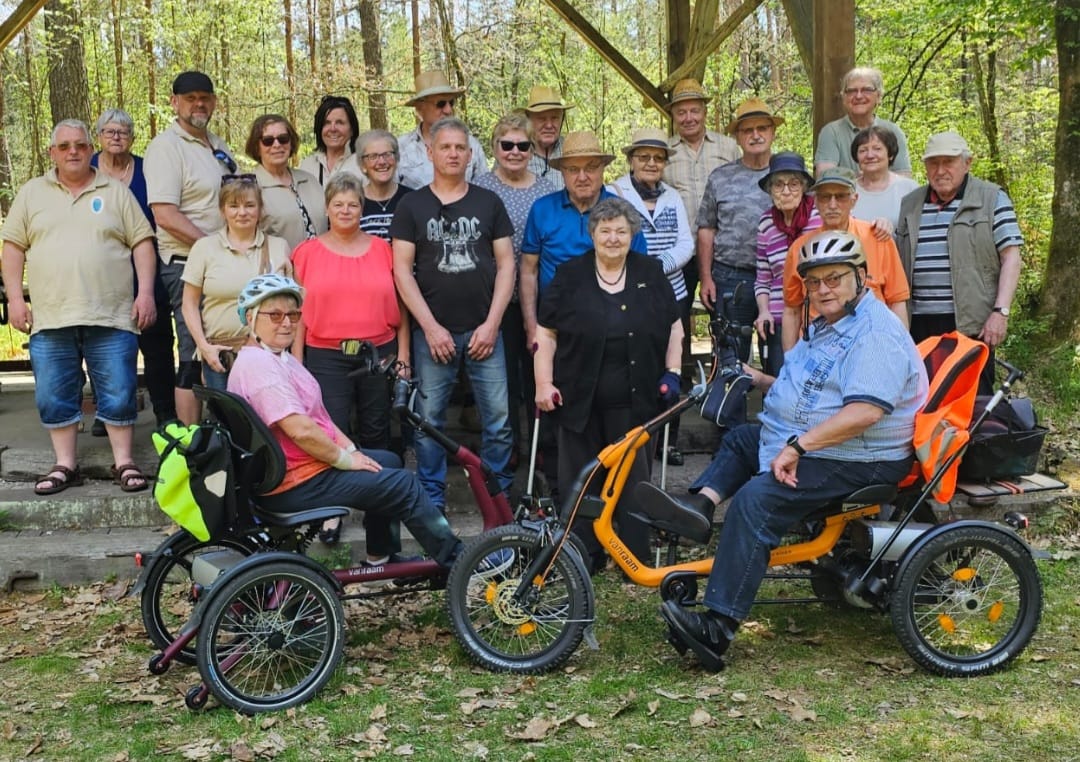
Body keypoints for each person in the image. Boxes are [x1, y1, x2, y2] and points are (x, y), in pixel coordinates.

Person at [657, 230, 928, 671]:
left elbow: (863, 412)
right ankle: (698, 509)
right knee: (745, 437)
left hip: (863, 457)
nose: (823, 290)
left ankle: (718, 626)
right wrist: (756, 378)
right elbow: (812, 385)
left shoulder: (875, 333)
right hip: (829, 444)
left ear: (862, 276)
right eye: (815, 282)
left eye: (835, 278)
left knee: (755, 503)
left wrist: (798, 446)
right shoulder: (831, 324)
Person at [226, 274, 462, 568]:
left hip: (300, 469)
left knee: (388, 460)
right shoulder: (260, 368)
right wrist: (345, 461)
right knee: (401, 484)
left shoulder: (275, 358)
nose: (286, 322)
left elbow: (317, 416)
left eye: (293, 314)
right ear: (250, 317)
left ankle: (381, 557)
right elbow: (301, 430)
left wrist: (351, 450)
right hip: (295, 482)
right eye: (274, 315)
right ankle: (459, 561)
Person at [1, 119, 157, 494]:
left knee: (119, 390)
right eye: (65, 146)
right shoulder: (32, 193)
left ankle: (125, 463)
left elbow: (142, 243)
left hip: (112, 313)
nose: (74, 151)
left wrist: (146, 292)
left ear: (92, 150)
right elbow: (12, 248)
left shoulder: (115, 192)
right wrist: (16, 299)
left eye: (81, 145)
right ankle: (64, 465)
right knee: (54, 392)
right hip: (51, 316)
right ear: (52, 153)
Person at [534, 197, 683, 571]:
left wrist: (673, 373)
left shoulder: (650, 270)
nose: (613, 238)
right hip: (578, 396)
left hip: (637, 398)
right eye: (605, 231)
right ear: (593, 234)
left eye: (621, 230)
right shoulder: (570, 275)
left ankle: (633, 556)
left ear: (632, 234)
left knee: (634, 482)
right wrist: (543, 382)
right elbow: (546, 333)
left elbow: (675, 328)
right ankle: (584, 558)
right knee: (581, 481)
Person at [390, 117, 516, 512]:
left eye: (461, 147)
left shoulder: (488, 203)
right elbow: (401, 271)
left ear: (470, 153)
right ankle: (431, 502)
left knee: (498, 420)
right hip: (433, 336)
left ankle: (496, 497)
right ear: (430, 152)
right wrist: (430, 328)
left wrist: (492, 325)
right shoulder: (411, 205)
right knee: (429, 423)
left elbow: (507, 265)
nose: (453, 154)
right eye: (445, 147)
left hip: (485, 332)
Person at [519, 130, 648, 490]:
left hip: (614, 331)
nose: (582, 176)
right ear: (562, 172)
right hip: (556, 331)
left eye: (591, 167)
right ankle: (565, 499)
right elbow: (528, 270)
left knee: (611, 416)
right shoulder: (543, 210)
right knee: (558, 412)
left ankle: (615, 498)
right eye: (573, 168)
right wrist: (531, 324)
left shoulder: (622, 214)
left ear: (603, 170)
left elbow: (642, 276)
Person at [292, 173, 408, 549]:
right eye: (338, 204)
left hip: (379, 352)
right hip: (326, 354)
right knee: (331, 434)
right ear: (327, 208)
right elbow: (296, 313)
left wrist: (403, 354)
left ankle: (381, 521)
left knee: (377, 433)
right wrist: (295, 362)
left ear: (363, 208)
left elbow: (402, 306)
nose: (345, 210)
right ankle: (331, 511)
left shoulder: (383, 250)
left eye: (353, 204)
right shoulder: (306, 253)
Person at [895, 131, 1023, 391]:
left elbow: (1011, 257)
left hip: (971, 323)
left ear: (967, 163)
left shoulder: (991, 198)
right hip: (917, 323)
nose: (940, 170)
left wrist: (1001, 312)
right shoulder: (910, 204)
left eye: (948, 162)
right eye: (933, 163)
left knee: (973, 399)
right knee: (924, 397)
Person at [145, 70, 239, 424]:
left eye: (204, 97)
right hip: (187, 263)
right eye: (190, 98)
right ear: (174, 102)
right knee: (193, 350)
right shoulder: (166, 147)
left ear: (213, 102)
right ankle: (191, 442)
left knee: (226, 344)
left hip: (226, 263)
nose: (198, 104)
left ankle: (225, 434)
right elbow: (165, 214)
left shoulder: (217, 144)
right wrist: (212, 247)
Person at [608, 127, 693, 465]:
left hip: (673, 292)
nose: (651, 163)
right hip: (630, 292)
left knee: (673, 364)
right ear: (631, 160)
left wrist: (658, 267)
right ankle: (637, 438)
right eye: (643, 157)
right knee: (637, 362)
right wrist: (645, 271)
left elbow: (685, 242)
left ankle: (669, 439)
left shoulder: (672, 196)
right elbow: (613, 238)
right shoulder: (615, 192)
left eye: (658, 158)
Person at [473, 114, 555, 464]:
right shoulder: (478, 188)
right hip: (495, 299)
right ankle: (508, 456)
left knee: (540, 371)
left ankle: (544, 452)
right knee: (502, 382)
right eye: (507, 145)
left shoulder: (548, 188)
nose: (515, 151)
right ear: (495, 148)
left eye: (523, 145)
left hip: (541, 295)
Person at [90, 108, 177, 428]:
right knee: (104, 344)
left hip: (148, 270)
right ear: (98, 136)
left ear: (132, 138)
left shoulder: (147, 170)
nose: (116, 137)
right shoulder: (85, 171)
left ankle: (165, 411)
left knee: (157, 344)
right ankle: (107, 409)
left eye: (123, 132)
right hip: (101, 275)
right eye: (110, 132)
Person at [181, 175, 291, 391]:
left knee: (266, 422)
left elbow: (293, 306)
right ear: (223, 211)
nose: (242, 212)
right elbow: (189, 304)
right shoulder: (204, 248)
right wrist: (204, 347)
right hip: (220, 355)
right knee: (227, 420)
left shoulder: (279, 247)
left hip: (268, 355)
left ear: (260, 210)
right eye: (234, 206)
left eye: (250, 205)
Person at [781, 168, 910, 350]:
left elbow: (897, 301)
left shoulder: (878, 239)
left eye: (841, 196)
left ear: (854, 200)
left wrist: (900, 351)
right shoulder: (800, 248)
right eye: (825, 197)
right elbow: (791, 311)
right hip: (817, 348)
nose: (832, 205)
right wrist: (790, 362)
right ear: (816, 202)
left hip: (871, 346)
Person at [663, 78, 741, 372]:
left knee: (721, 313)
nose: (688, 118)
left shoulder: (728, 147)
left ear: (705, 111)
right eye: (681, 112)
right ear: (673, 115)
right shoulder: (665, 151)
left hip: (721, 247)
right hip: (678, 249)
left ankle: (723, 375)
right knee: (675, 312)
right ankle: (677, 375)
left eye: (694, 110)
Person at [696, 97, 782, 362]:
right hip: (731, 277)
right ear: (737, 137)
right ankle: (732, 403)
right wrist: (706, 278)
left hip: (779, 279)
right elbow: (706, 230)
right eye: (747, 130)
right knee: (731, 359)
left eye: (762, 129)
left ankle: (776, 404)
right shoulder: (720, 177)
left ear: (772, 132)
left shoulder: (788, 176)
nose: (755, 136)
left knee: (780, 359)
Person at [753, 152, 821, 376]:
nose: (786, 191)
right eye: (779, 185)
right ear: (770, 190)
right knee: (779, 383)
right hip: (779, 317)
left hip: (819, 317)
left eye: (793, 184)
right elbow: (763, 278)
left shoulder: (820, 216)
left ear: (803, 187)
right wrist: (763, 312)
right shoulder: (766, 223)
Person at [246, 114, 327, 250]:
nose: (277, 145)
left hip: (321, 265)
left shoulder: (309, 180)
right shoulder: (249, 186)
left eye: (283, 139)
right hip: (280, 267)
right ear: (256, 147)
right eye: (268, 141)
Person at [814, 67, 912, 177]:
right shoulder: (831, 132)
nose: (859, 96)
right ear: (844, 98)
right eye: (851, 91)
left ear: (879, 96)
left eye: (866, 90)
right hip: (845, 194)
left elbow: (904, 177)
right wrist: (863, 180)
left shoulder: (894, 131)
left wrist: (873, 180)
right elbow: (825, 177)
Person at [397, 71, 487, 189]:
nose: (448, 110)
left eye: (451, 103)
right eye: (441, 104)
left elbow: (484, 190)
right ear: (420, 108)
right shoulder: (400, 147)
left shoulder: (471, 144)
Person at [340, 129, 413, 241]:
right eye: (373, 156)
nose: (382, 161)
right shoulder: (353, 203)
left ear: (396, 158)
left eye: (387, 154)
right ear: (362, 165)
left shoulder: (412, 199)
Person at [851, 125, 919, 234]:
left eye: (877, 149)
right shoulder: (847, 191)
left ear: (890, 154)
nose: (870, 155)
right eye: (863, 150)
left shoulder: (910, 189)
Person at [299, 95, 359, 186]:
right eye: (326, 123)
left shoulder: (363, 165)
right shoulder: (307, 166)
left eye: (339, 123)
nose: (333, 129)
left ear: (352, 129)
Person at [523, 84, 573, 190]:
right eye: (542, 119)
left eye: (555, 118)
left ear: (562, 119)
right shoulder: (514, 152)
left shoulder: (572, 150)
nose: (549, 125)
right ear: (529, 120)